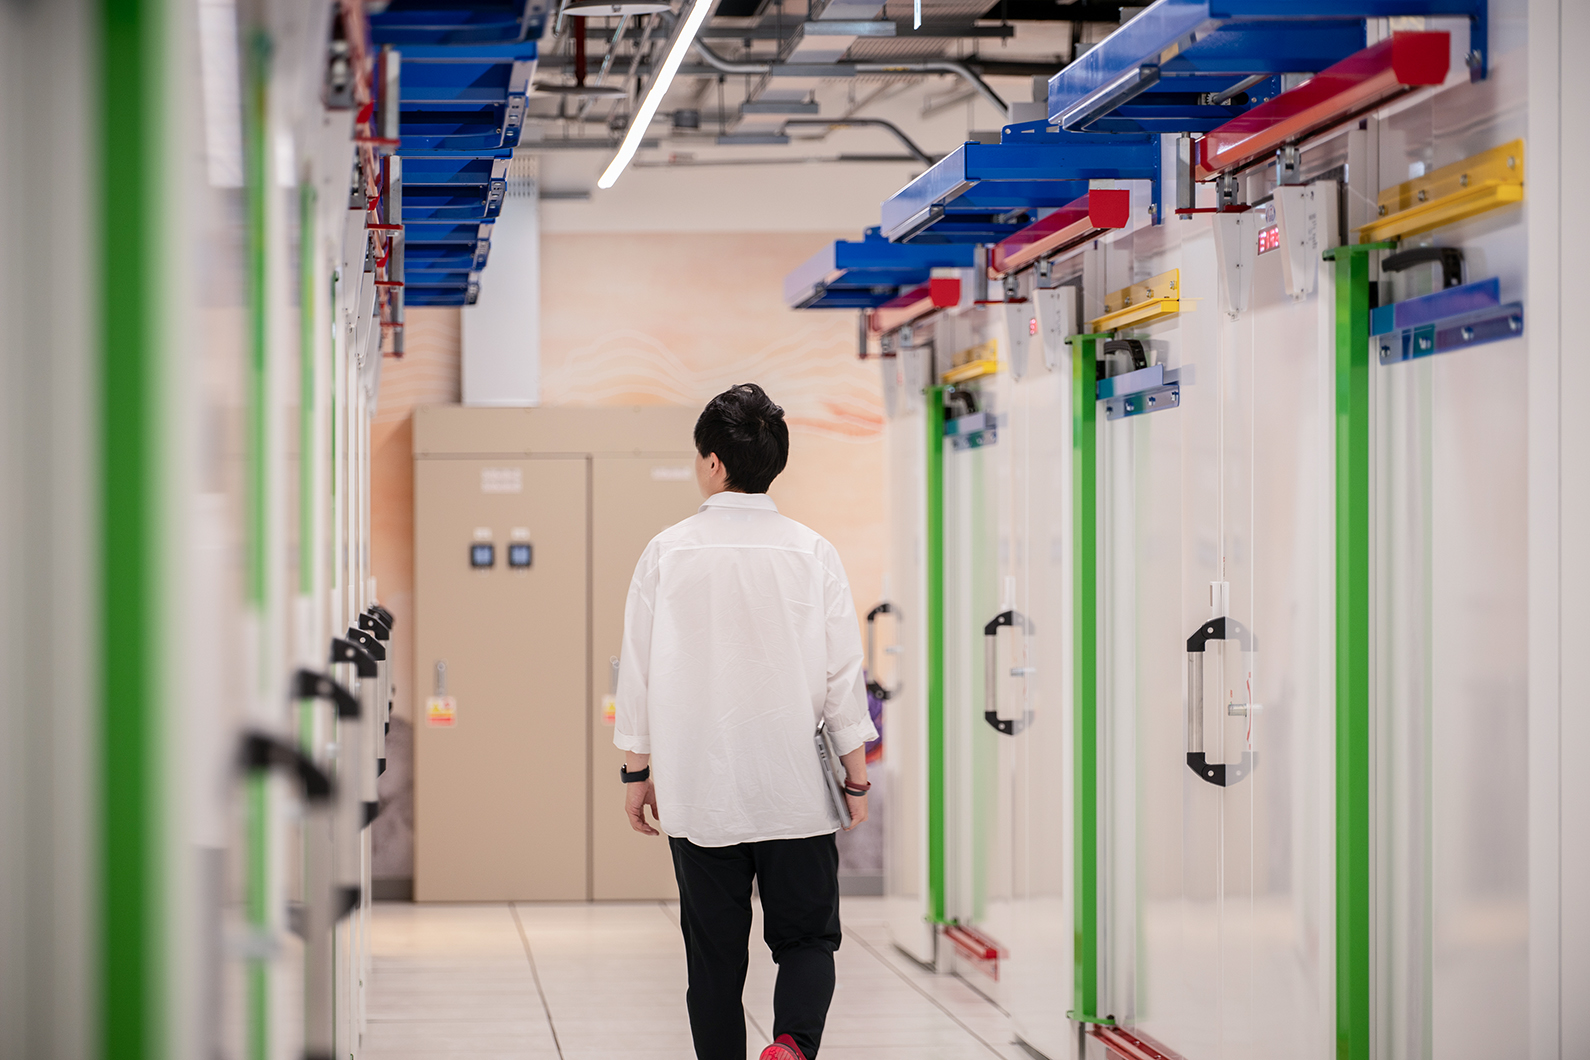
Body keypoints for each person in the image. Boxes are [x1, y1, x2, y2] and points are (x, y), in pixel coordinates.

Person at [613, 383, 878, 1060]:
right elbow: (842, 677)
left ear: (711, 462)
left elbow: (636, 675)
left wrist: (635, 772)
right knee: (809, 941)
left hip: (702, 796)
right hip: (795, 793)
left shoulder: (666, 553)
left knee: (713, 963)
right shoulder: (813, 553)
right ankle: (791, 1044)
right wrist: (855, 779)